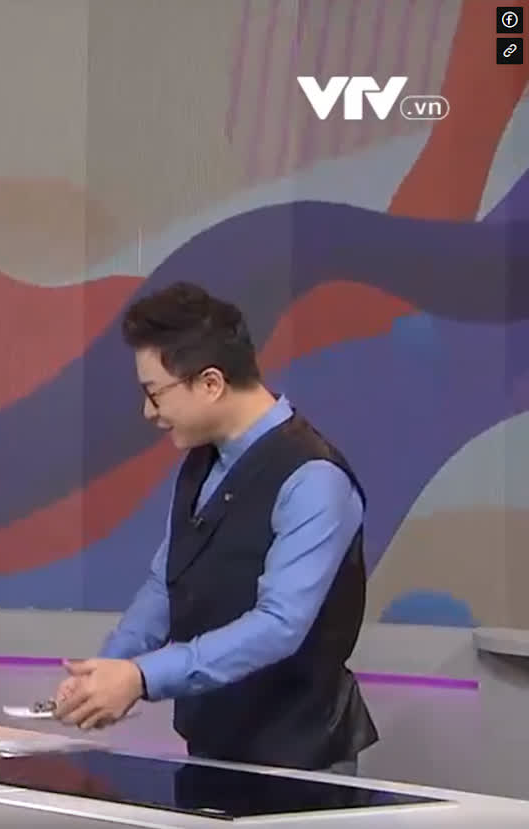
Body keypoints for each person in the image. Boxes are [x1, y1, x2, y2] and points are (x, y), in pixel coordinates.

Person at [52, 281, 377, 774]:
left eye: (154, 393)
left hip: (300, 759)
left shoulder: (313, 478)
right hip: (211, 747)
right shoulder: (202, 461)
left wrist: (141, 677)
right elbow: (166, 581)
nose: (148, 412)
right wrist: (108, 667)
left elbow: (279, 626)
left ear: (210, 383)